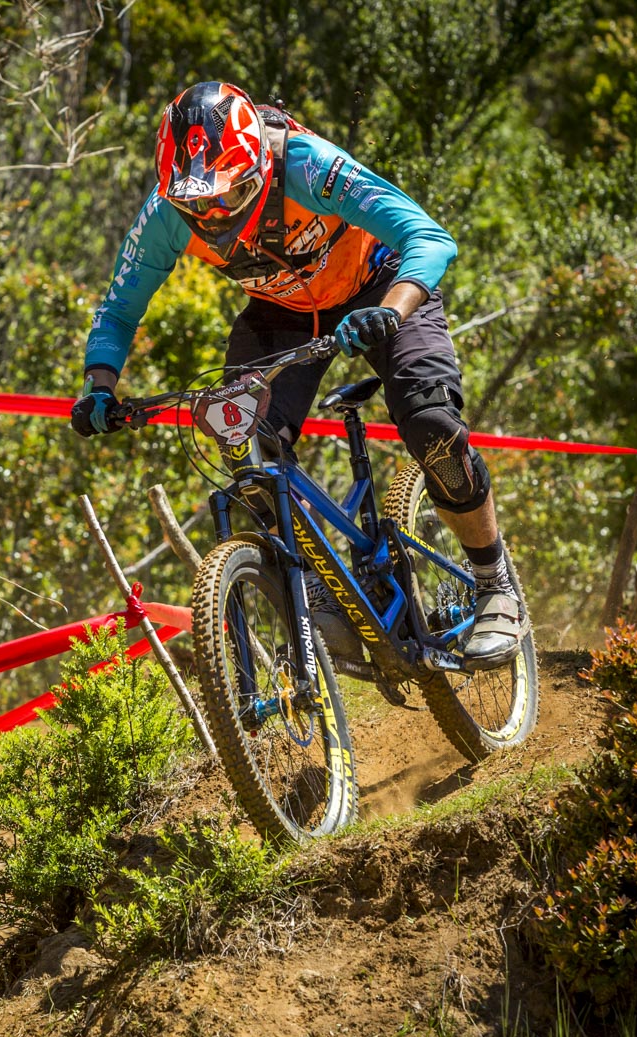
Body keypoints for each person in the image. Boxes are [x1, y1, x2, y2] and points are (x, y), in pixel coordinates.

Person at [70, 81, 523, 667]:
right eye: (195, 205)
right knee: (242, 441)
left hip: (381, 286)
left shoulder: (307, 166)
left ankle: (493, 583)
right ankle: (320, 596)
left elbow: (428, 237)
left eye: (228, 195)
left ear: (259, 168)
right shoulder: (165, 212)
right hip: (282, 311)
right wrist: (99, 385)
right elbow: (118, 309)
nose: (211, 216)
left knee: (430, 422)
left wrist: (392, 309)